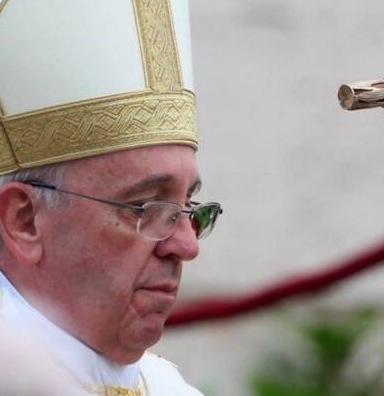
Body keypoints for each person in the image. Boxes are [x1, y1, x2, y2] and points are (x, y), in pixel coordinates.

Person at [0, 0, 221, 394]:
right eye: (147, 206)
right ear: (24, 222)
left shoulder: (167, 387)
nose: (187, 245)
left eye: (188, 207)